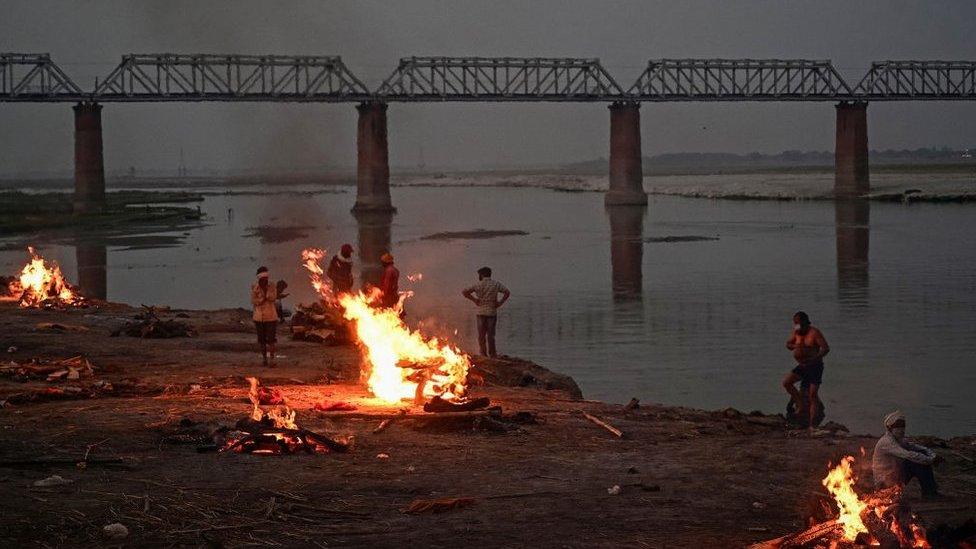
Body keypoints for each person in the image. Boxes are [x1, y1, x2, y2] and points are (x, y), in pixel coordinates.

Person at [872, 411, 942, 498]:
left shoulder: (899, 440)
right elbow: (908, 455)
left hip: (895, 476)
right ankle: (929, 493)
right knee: (915, 461)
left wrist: (933, 455)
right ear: (890, 428)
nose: (902, 430)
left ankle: (930, 491)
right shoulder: (887, 442)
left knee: (920, 456)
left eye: (903, 426)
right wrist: (931, 460)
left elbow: (917, 447)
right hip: (885, 483)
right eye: (898, 427)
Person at [782, 311, 830, 430]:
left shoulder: (814, 333)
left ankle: (812, 425)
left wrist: (816, 357)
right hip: (802, 366)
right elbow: (788, 344)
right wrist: (795, 346)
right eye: (795, 323)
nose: (797, 326)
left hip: (814, 366)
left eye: (798, 323)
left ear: (805, 322)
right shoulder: (796, 332)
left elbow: (825, 348)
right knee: (787, 382)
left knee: (812, 395)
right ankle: (800, 404)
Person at [462, 266, 511, 357]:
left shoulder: (478, 285)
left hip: (481, 312)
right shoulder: (496, 284)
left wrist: (474, 300)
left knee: (481, 335)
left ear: (482, 275)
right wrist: (500, 303)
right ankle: (492, 354)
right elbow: (507, 292)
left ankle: (483, 354)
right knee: (491, 335)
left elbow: (465, 292)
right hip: (492, 312)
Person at [250, 266, 279, 367]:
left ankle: (272, 359)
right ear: (259, 279)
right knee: (261, 340)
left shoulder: (272, 285)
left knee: (271, 340)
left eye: (265, 280)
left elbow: (273, 298)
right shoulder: (254, 287)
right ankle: (264, 359)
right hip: (259, 317)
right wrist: (260, 300)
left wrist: (266, 292)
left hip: (271, 317)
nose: (264, 281)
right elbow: (253, 301)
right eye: (262, 280)